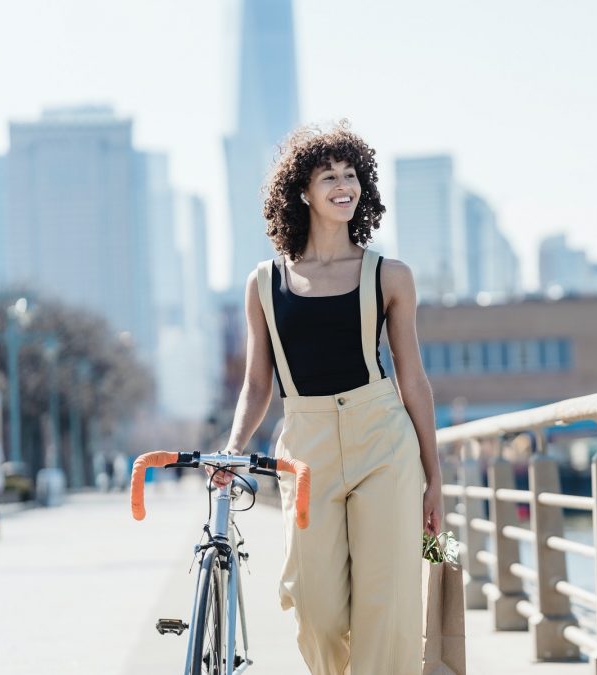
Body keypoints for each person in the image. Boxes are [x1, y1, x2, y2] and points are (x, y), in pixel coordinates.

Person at [214, 121, 443, 674]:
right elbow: (257, 383)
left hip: (383, 440)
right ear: (303, 192)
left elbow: (412, 379)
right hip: (307, 446)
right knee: (314, 605)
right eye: (328, 177)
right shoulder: (264, 283)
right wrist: (233, 448)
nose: (345, 186)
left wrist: (434, 478)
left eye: (352, 175)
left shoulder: (390, 275)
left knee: (384, 604)